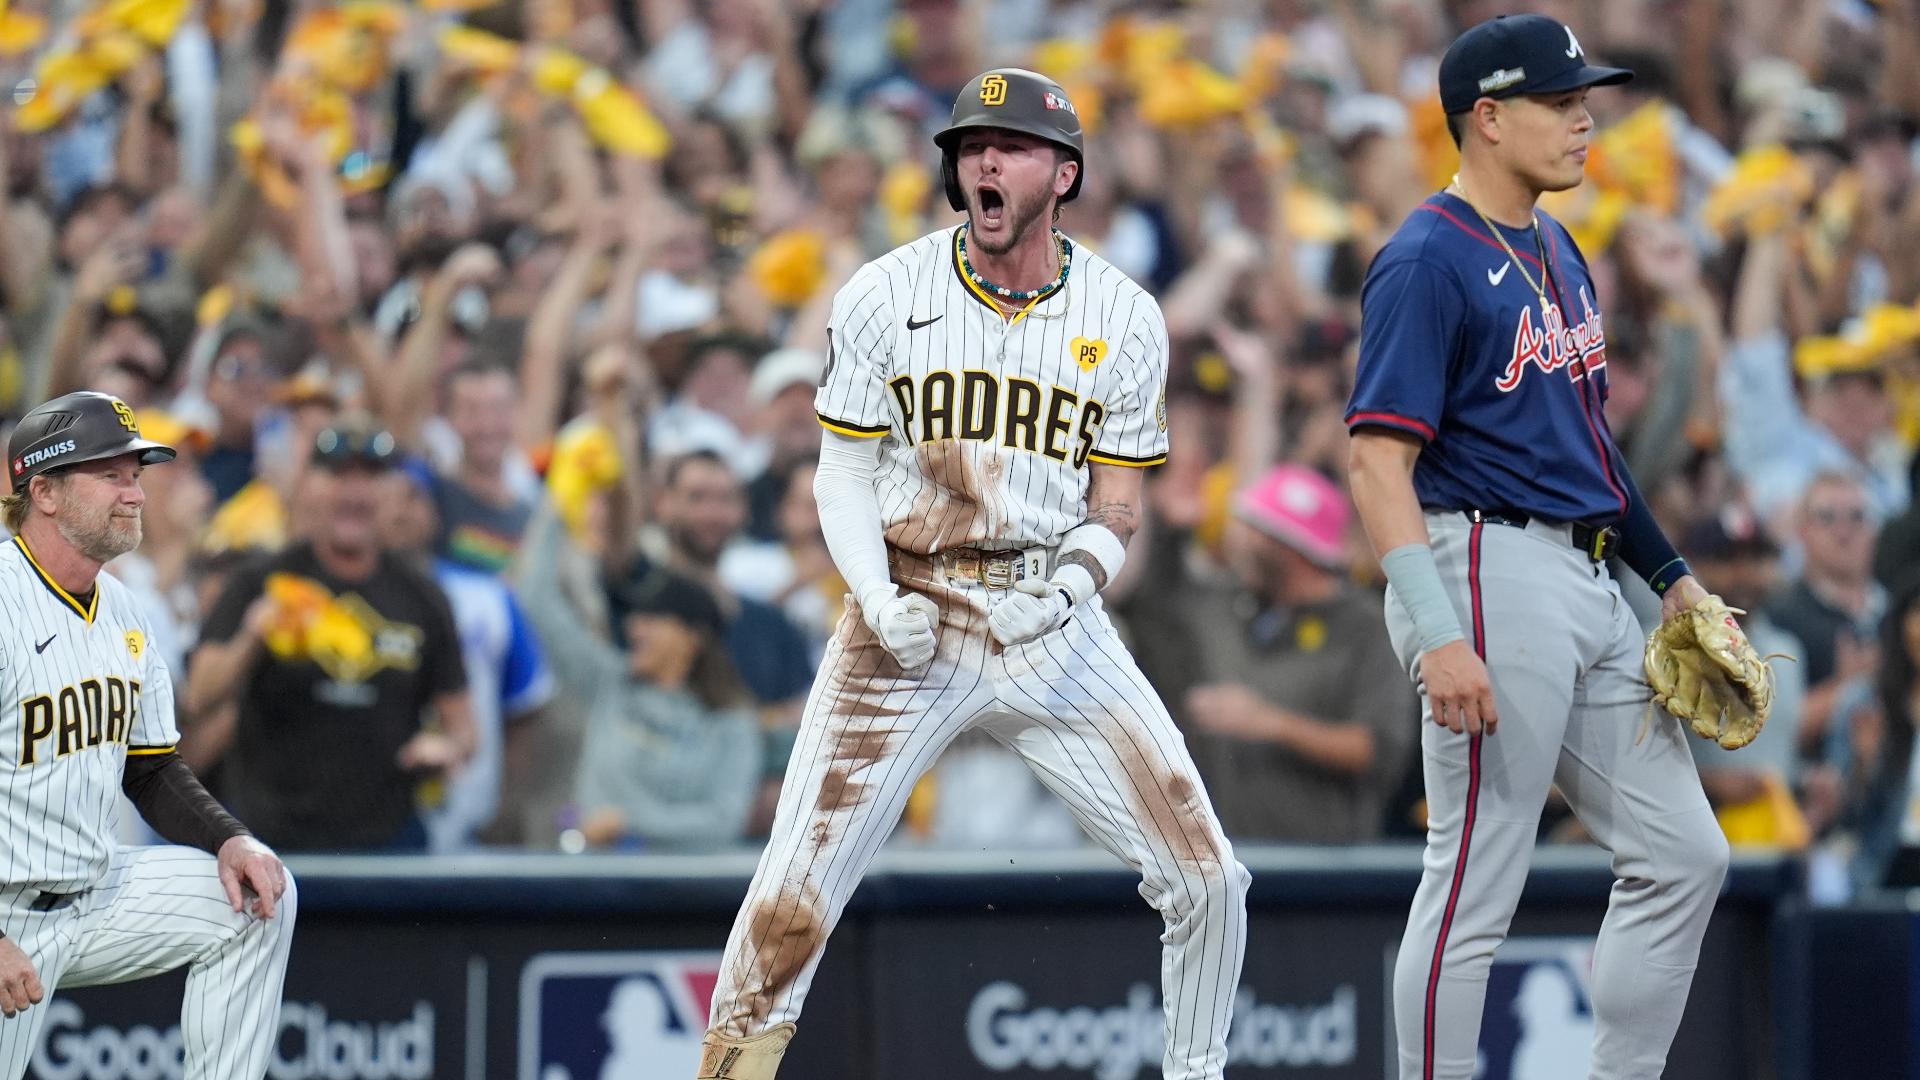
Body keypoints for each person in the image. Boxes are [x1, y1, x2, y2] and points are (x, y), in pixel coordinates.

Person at [697, 68, 1249, 1079]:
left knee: (1210, 880)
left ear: (1066, 171)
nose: (985, 161)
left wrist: (1077, 582)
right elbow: (843, 469)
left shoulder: (1126, 316)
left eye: (1012, 145)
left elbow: (1118, 502)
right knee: (790, 897)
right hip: (907, 599)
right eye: (970, 146)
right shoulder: (885, 290)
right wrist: (871, 593)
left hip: (1053, 615)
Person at [1343, 16, 1731, 1080]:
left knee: (1685, 856)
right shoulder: (1426, 257)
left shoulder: (1559, 247)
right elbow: (1378, 467)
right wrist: (1436, 634)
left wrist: (1674, 580)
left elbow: (1591, 446)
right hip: (1480, 565)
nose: (1584, 117)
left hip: (1591, 572)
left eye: (1583, 97)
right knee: (1473, 877)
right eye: (1560, 102)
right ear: (1489, 116)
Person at [0, 390, 293, 1077]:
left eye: (136, 473)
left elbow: (152, 767)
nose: (135, 492)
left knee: (258, 900)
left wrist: (229, 837)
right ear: (43, 491)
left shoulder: (125, 609)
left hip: (94, 892)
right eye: (111, 474)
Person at [186, 419, 475, 851]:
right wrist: (252, 636)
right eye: (339, 475)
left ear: (392, 494)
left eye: (371, 478)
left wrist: (446, 747)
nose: (354, 493)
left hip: (388, 843)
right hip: (270, 843)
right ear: (309, 486)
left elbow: (463, 726)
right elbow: (198, 695)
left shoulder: (423, 598)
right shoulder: (259, 582)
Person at [1176, 464, 1419, 843]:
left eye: (1257, 529)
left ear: (1292, 548)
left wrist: (1271, 723)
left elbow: (1378, 751)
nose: (1242, 542)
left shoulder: (1369, 627)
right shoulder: (1228, 609)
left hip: (1320, 869)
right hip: (1220, 861)